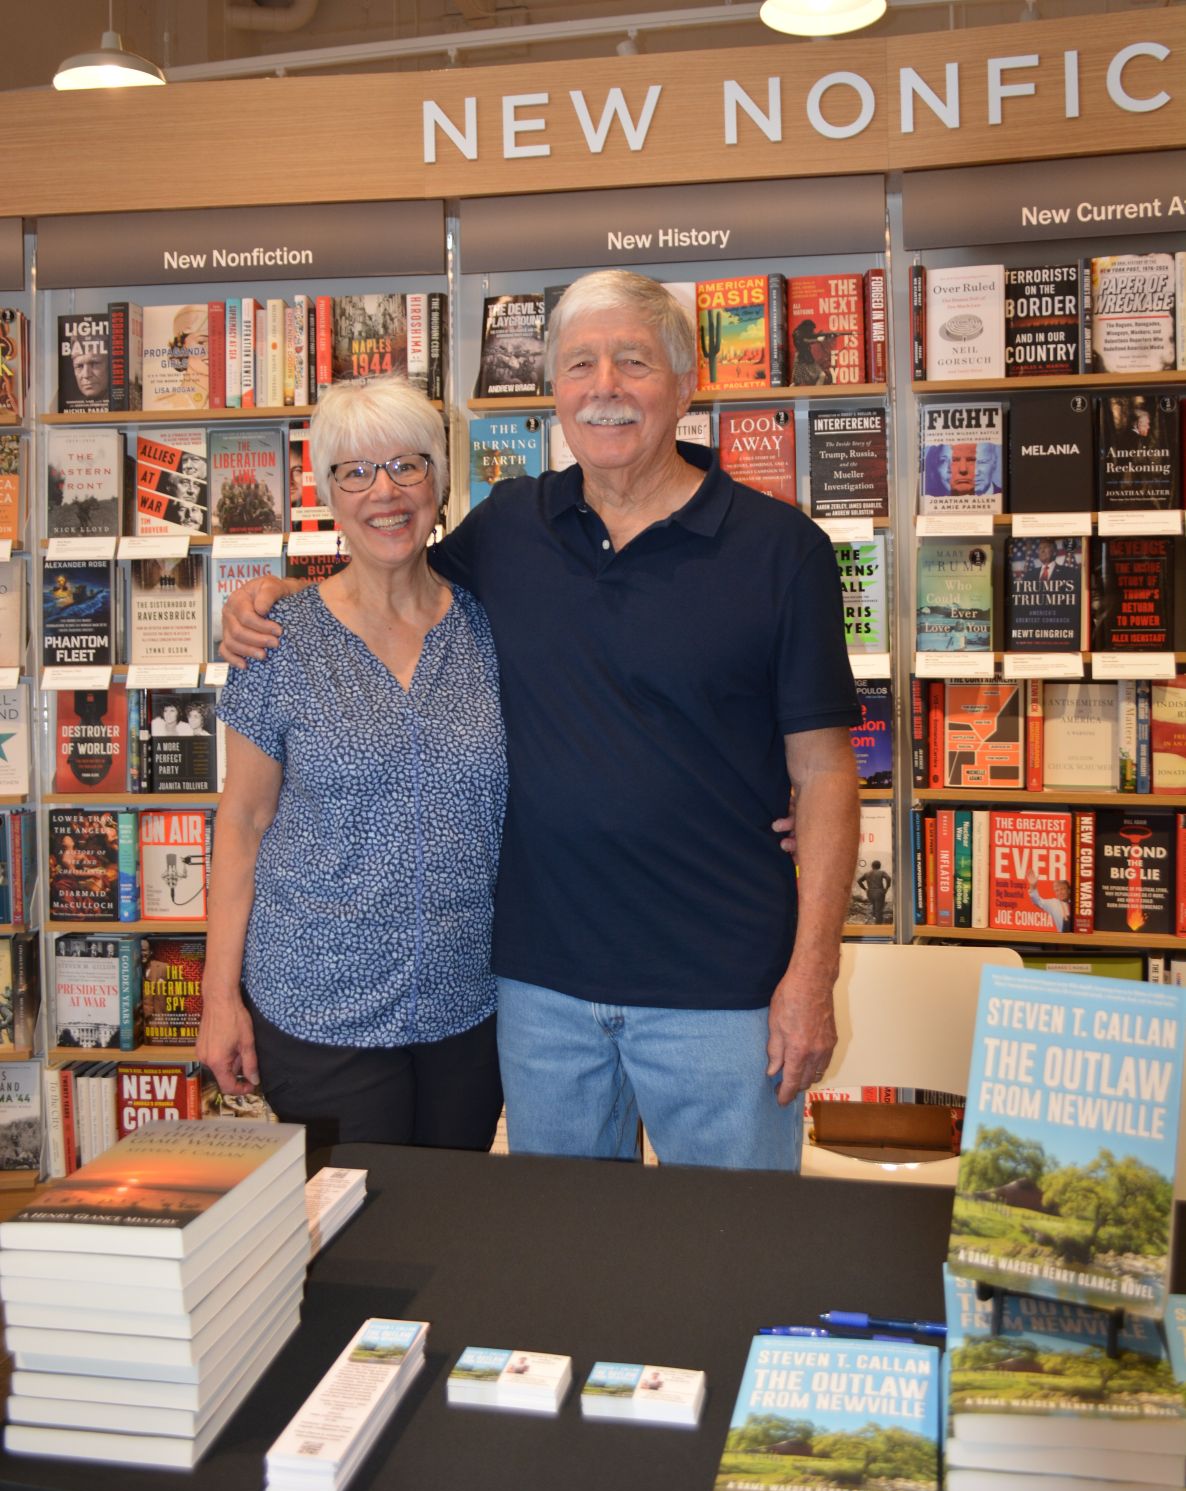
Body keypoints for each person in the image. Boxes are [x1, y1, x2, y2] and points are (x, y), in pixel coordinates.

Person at [221, 270, 859, 1172]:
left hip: (723, 991)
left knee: (730, 1256)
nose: (604, 387)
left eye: (632, 361)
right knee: (566, 1263)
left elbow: (826, 771)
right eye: (579, 364)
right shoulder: (514, 525)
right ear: (553, 389)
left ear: (685, 382)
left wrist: (812, 976)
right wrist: (278, 596)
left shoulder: (781, 551)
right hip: (538, 994)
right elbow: (390, 564)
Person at [198, 376, 507, 1155]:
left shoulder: (491, 628)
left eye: (408, 465)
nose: (386, 492)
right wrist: (217, 998)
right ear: (325, 490)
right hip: (317, 1008)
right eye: (356, 471)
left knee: (451, 1234)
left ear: (440, 479)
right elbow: (242, 821)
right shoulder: (277, 641)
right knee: (356, 1241)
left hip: (467, 1007)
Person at [857, 860, 891, 925]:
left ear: (872, 866)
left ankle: (873, 923)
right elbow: (888, 878)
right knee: (879, 910)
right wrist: (887, 888)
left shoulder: (867, 873)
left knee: (874, 908)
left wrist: (865, 889)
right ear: (879, 866)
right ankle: (878, 927)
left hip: (870, 892)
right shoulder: (881, 872)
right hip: (879, 892)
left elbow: (859, 881)